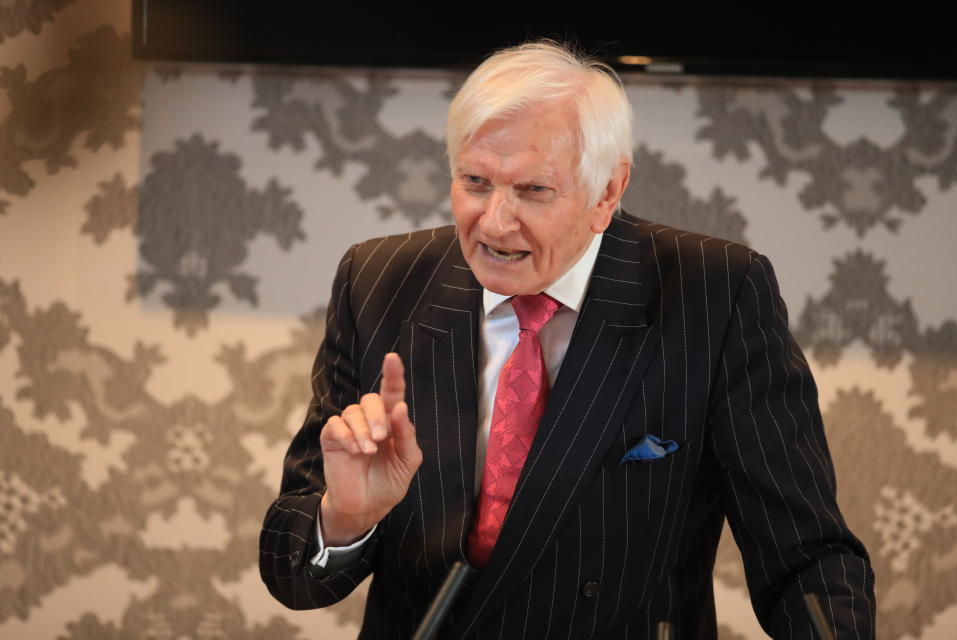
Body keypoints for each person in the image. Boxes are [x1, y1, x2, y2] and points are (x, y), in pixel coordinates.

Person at [260, 41, 875, 639]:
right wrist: (345, 519)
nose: (495, 222)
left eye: (533, 190)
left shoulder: (716, 295)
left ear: (607, 190)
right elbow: (293, 577)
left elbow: (804, 558)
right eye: (475, 181)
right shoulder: (379, 283)